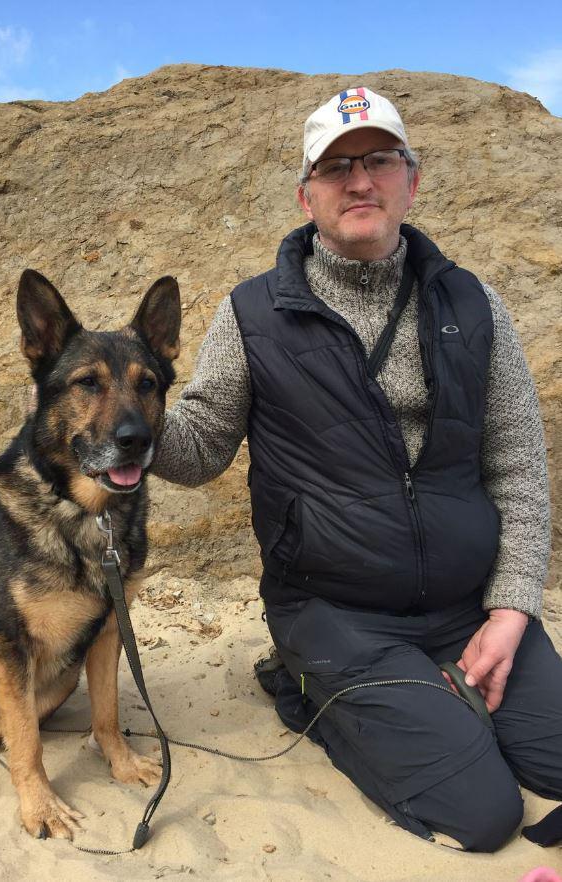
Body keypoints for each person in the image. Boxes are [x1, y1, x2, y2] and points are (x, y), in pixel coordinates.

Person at [151, 87, 560, 852]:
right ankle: (302, 685)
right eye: (335, 167)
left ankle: (432, 694)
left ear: (412, 179)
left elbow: (516, 469)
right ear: (305, 195)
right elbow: (200, 446)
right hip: (336, 612)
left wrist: (509, 610)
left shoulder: (476, 306)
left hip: (467, 606)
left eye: (378, 160)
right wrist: (120, 425)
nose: (359, 181)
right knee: (482, 813)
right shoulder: (251, 314)